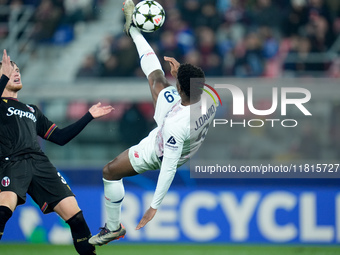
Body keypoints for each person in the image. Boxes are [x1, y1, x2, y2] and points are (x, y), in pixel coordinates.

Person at [89, 0, 217, 246]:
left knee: (110, 172)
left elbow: (169, 168)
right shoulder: (207, 97)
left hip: (159, 151)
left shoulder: (175, 126)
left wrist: (153, 207)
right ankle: (134, 30)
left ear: (180, 89)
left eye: (178, 82)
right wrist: (180, 73)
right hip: (183, 116)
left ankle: (113, 228)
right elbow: (191, 84)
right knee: (158, 79)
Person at [0, 49, 114, 254]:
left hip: (40, 163)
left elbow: (60, 138)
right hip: (12, 162)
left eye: (17, 70)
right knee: (2, 212)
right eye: (10, 70)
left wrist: (88, 116)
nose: (16, 72)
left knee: (76, 217)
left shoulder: (32, 110)